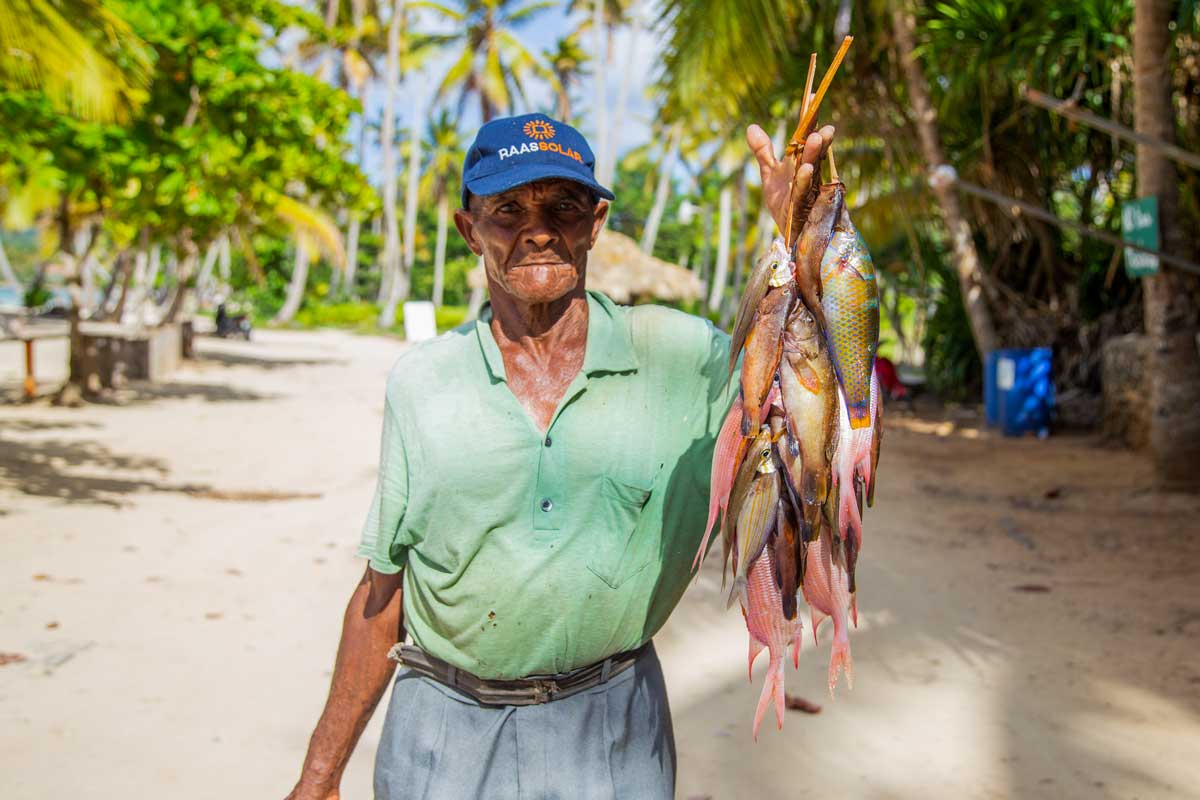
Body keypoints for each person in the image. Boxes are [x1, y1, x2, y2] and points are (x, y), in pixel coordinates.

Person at [285, 112, 834, 800]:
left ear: (594, 224)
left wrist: (804, 237)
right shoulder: (422, 381)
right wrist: (319, 774)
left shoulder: (688, 359)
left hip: (612, 724)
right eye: (508, 208)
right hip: (441, 729)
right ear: (469, 230)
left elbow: (817, 409)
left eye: (563, 206)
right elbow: (382, 591)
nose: (537, 228)